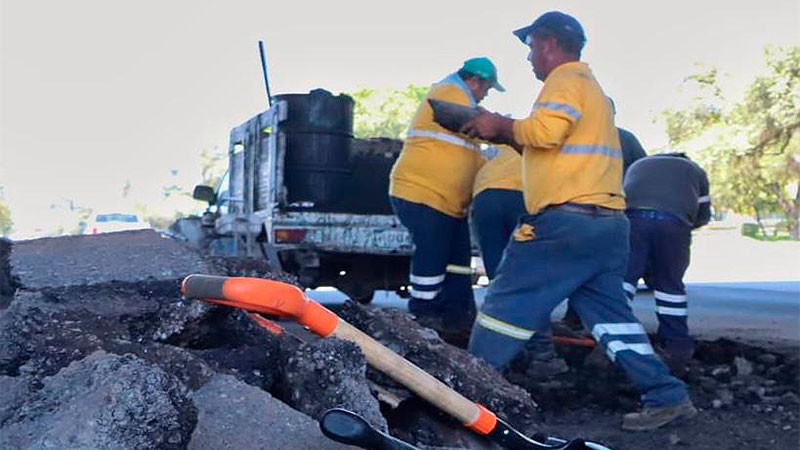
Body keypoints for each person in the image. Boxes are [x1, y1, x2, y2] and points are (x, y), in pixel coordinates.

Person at [459, 11, 695, 431]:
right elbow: (553, 146)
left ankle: (460, 399)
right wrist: (502, 132)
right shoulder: (593, 93)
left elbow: (546, 132)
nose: (529, 57)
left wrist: (501, 123)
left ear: (548, 43)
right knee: (611, 319)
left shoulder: (565, 79)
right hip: (605, 226)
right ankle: (667, 396)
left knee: (503, 304)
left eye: (531, 47)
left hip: (565, 223)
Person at [389, 57, 504, 334]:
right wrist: (505, 129)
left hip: (447, 202)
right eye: (486, 89)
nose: (485, 95)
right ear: (475, 81)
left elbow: (469, 152)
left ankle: (457, 316)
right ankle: (423, 314)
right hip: (423, 194)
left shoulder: (460, 100)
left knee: (458, 261)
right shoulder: (449, 94)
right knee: (433, 252)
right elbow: (477, 126)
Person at [622, 153, 711, 374]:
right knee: (670, 286)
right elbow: (703, 215)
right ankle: (676, 344)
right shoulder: (695, 170)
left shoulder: (638, 164)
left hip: (632, 221)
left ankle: (616, 335)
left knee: (624, 281)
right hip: (674, 223)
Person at [470, 145, 525, 279]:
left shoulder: (500, 147)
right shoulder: (537, 144)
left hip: (484, 195)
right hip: (519, 193)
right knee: (524, 252)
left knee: (493, 254)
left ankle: (496, 292)